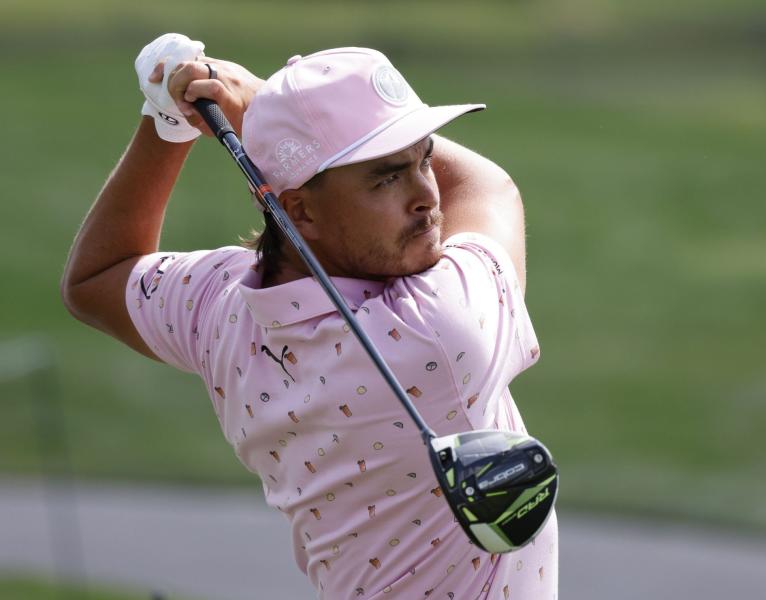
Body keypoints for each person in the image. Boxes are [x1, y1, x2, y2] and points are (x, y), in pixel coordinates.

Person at [61, 35, 558, 599]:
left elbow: (96, 278)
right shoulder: (437, 331)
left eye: (423, 158)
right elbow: (486, 185)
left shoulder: (221, 307)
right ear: (299, 209)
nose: (426, 196)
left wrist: (168, 122)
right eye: (386, 176)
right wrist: (264, 107)